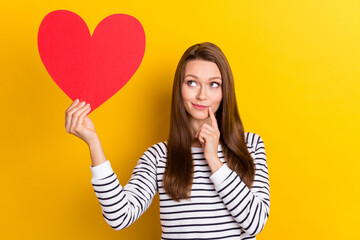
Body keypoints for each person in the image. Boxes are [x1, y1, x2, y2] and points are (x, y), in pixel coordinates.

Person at [65, 42, 270, 239]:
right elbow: (119, 216)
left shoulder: (251, 146)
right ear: (179, 89)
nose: (202, 95)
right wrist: (93, 142)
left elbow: (256, 222)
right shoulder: (159, 156)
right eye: (192, 83)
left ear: (225, 91)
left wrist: (214, 160)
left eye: (214, 84)